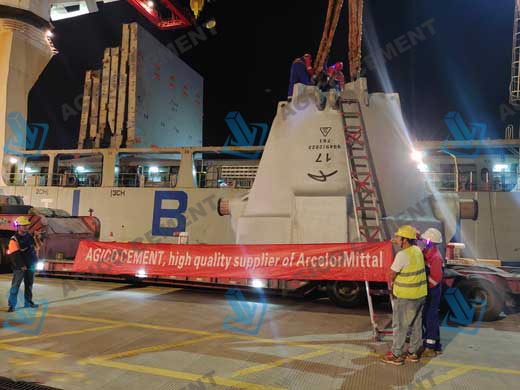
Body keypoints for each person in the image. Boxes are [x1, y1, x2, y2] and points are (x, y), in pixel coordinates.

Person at [382, 225, 428, 366]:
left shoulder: (402, 255)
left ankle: (396, 354)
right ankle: (413, 353)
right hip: (420, 294)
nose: (396, 239)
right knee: (415, 325)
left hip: (406, 296)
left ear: (405, 240)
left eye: (398, 237)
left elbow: (391, 273)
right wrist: (395, 241)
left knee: (400, 325)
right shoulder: (417, 250)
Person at [7, 216, 40, 312]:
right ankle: (11, 305)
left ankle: (28, 302)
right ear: (18, 227)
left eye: (27, 225)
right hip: (20, 267)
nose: (26, 227)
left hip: (31, 264)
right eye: (23, 225)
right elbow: (14, 254)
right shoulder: (14, 239)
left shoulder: (29, 236)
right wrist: (21, 265)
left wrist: (38, 238)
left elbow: (35, 248)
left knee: (29, 284)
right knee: (15, 285)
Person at [420, 228, 444, 357]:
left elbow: (435, 279)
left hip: (432, 290)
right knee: (428, 316)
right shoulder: (428, 251)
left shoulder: (435, 258)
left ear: (430, 241)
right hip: (429, 288)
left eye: (425, 239)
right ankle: (436, 345)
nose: (423, 240)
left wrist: (423, 276)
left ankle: (430, 346)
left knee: (430, 317)